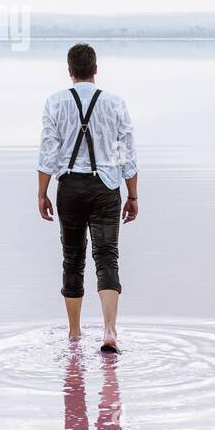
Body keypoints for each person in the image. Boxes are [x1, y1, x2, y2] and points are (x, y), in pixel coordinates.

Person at [37, 43, 139, 352]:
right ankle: (109, 331)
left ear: (70, 72)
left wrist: (42, 193)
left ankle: (74, 334)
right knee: (107, 257)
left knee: (73, 259)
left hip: (69, 189)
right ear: (95, 70)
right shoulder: (115, 103)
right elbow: (127, 154)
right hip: (106, 188)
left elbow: (48, 152)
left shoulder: (55, 103)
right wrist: (132, 195)